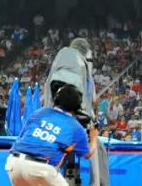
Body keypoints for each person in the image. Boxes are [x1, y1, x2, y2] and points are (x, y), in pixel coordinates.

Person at [43, 38, 107, 186]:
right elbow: (90, 100)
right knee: (99, 148)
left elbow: (47, 94)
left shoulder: (58, 62)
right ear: (86, 53)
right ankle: (98, 183)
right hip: (76, 122)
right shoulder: (84, 67)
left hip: (51, 122)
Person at [5, 84, 98, 186]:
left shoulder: (40, 112)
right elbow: (87, 154)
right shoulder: (75, 126)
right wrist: (94, 136)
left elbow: (22, 136)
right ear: (77, 105)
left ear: (56, 99)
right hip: (40, 168)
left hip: (14, 163)